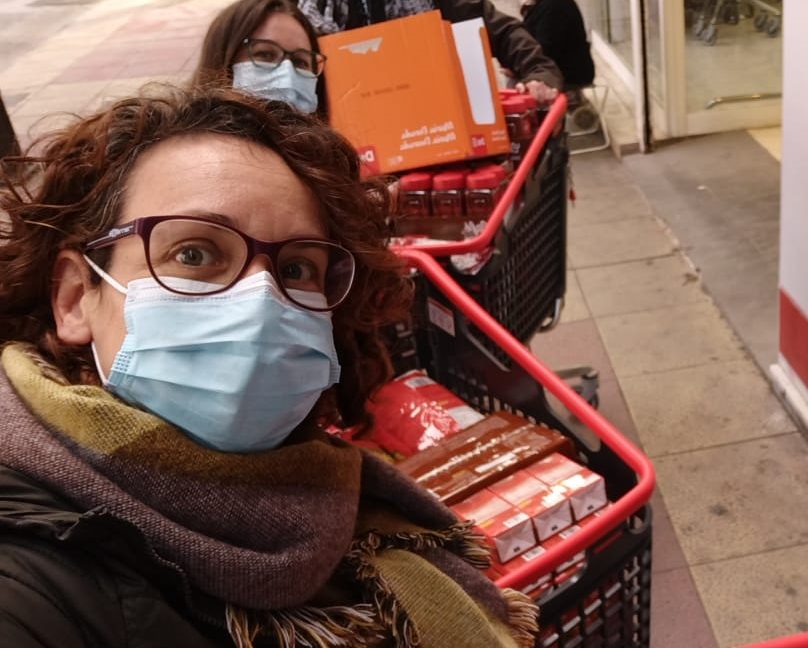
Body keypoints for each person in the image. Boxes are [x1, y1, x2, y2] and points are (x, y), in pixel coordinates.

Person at [0, 85, 537, 647]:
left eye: (299, 268)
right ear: (74, 297)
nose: (262, 301)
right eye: (194, 254)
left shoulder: (335, 498)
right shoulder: (30, 588)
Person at [298, 0, 563, 103]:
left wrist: (539, 75)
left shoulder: (441, 3)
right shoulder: (298, 12)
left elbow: (502, 31)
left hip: (434, 139)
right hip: (341, 156)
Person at [194, 0, 330, 115]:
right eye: (265, 54)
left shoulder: (325, 144)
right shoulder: (189, 144)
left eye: (300, 62)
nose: (287, 76)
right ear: (225, 59)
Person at [520, 0, 594, 92]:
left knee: (519, 86)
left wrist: (518, 66)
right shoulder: (543, 5)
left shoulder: (555, 6)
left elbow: (545, 49)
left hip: (566, 75)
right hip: (553, 69)